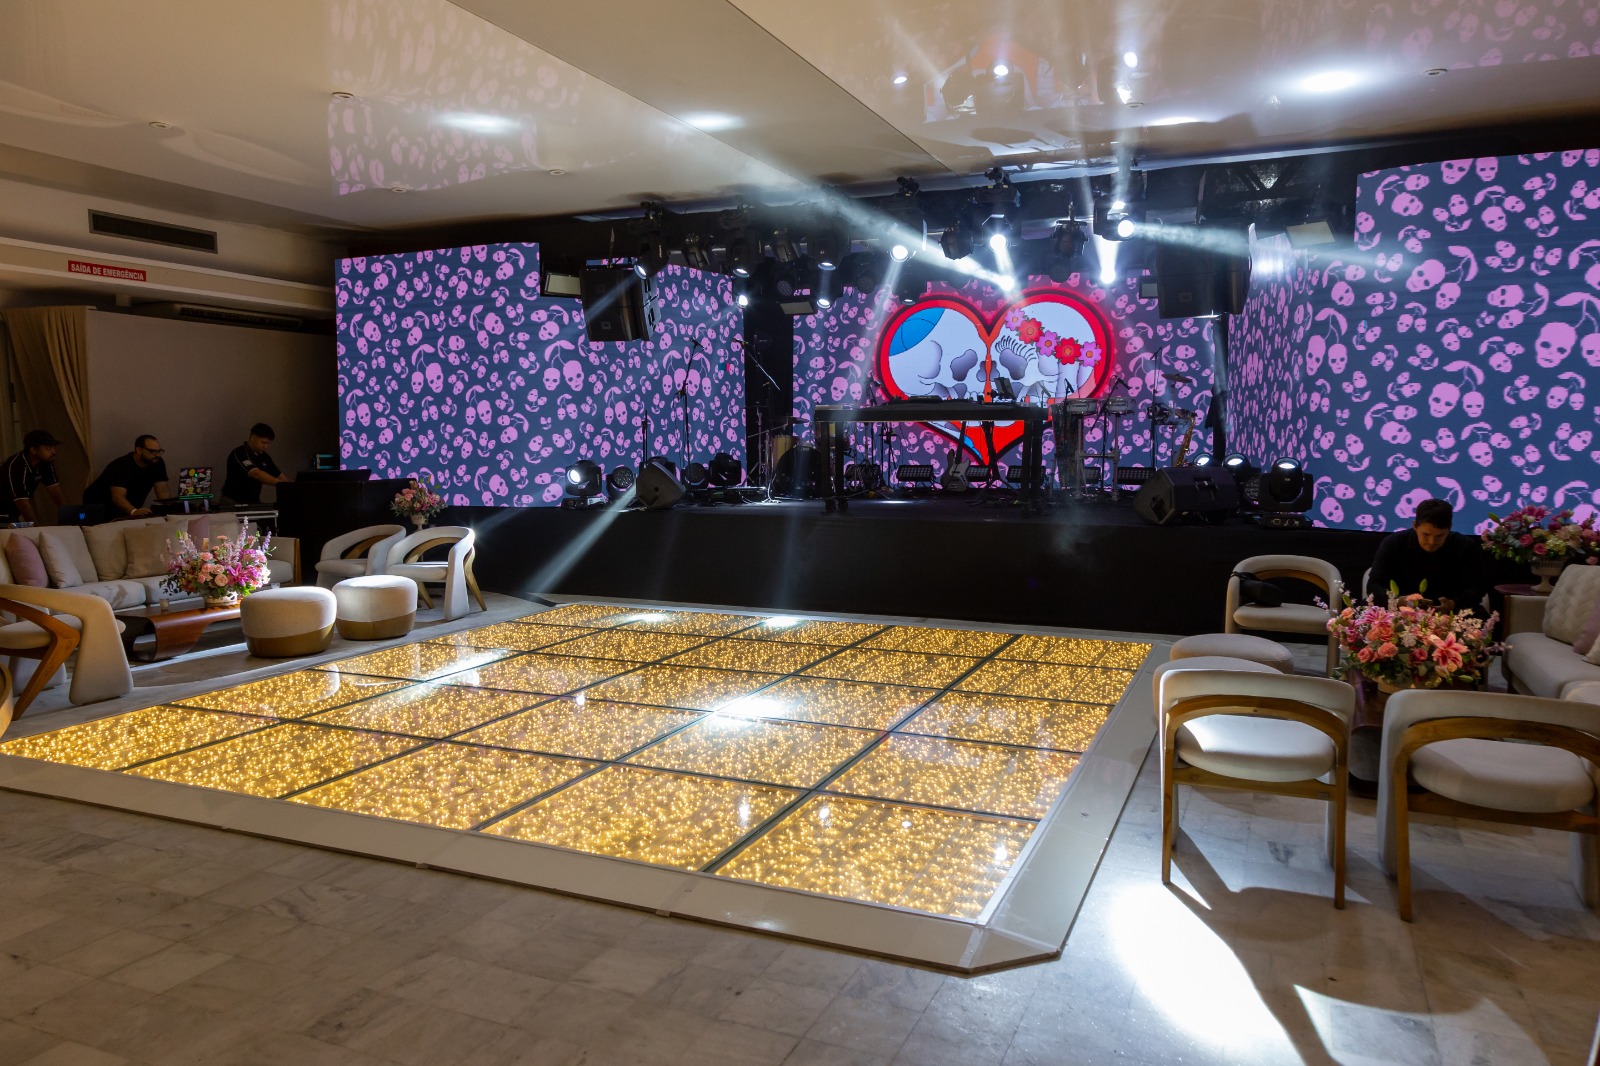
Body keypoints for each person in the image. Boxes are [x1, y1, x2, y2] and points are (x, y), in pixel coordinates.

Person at [1366, 498, 1489, 612]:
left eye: (1440, 536)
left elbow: (1477, 589)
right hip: (1398, 612)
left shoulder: (1464, 546)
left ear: (1449, 528)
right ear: (1415, 526)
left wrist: (1453, 604)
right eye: (1426, 534)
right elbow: (1374, 585)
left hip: (1452, 614)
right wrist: (1398, 601)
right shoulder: (1394, 543)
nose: (1432, 542)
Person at [83, 434, 172, 518]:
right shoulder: (121, 465)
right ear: (139, 450)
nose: (157, 455)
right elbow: (118, 497)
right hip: (99, 505)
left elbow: (163, 491)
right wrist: (133, 511)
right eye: (153, 451)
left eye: (159, 451)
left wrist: (168, 511)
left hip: (126, 506)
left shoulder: (157, 462)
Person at [2, 429, 66, 524]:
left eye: (53, 447)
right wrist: (36, 528)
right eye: (48, 448)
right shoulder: (17, 466)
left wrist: (67, 517)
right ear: (33, 450)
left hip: (12, 510)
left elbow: (55, 490)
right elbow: (22, 502)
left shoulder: (45, 463)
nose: (54, 451)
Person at [222, 423, 290, 506]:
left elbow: (277, 474)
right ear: (253, 438)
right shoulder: (240, 453)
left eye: (268, 443)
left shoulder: (264, 456)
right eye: (263, 442)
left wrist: (291, 487)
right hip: (233, 501)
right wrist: (282, 485)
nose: (266, 446)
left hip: (252, 501)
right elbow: (256, 474)